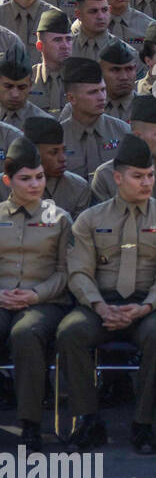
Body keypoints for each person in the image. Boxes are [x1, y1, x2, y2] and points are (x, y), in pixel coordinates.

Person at [59, 134, 156, 455]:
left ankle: (142, 422)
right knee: (70, 331)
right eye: (137, 176)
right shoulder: (90, 220)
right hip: (102, 302)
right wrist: (100, 306)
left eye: (150, 176)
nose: (146, 183)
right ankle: (87, 419)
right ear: (117, 178)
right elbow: (79, 272)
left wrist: (145, 307)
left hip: (149, 305)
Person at [0, 136, 72, 452]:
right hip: (2, 298)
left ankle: (29, 424)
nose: (34, 185)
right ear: (7, 181)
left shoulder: (59, 218)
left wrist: (35, 295)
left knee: (25, 334)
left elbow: (67, 272)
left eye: (39, 177)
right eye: (25, 179)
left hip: (44, 302)